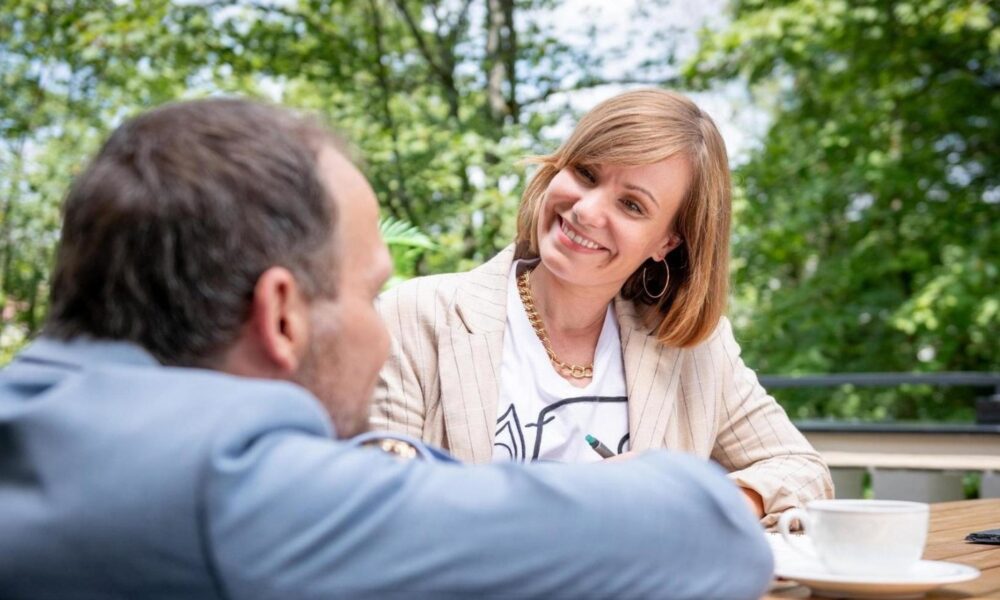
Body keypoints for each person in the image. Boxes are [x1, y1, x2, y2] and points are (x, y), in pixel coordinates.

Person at [0, 98, 774, 599]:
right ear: (280, 315)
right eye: (371, 293)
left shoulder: (40, 414)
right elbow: (702, 531)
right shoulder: (229, 493)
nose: (386, 324)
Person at [372, 88, 834, 526]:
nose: (587, 211)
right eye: (586, 174)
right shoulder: (417, 315)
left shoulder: (693, 350)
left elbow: (802, 471)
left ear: (668, 241)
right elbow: (379, 498)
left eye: (632, 205)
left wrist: (695, 499)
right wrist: (575, 493)